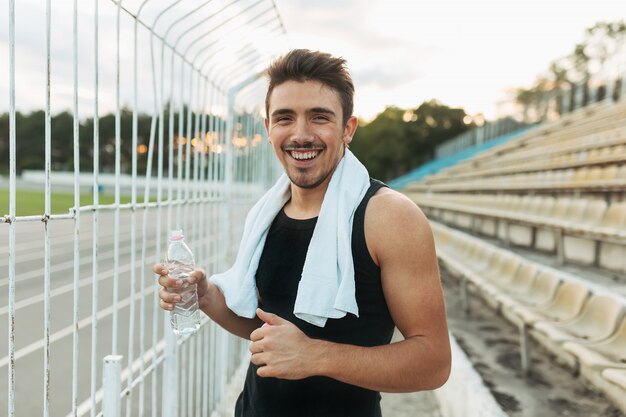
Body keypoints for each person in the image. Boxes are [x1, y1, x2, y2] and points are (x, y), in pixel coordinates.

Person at [154, 49, 451, 417]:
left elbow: (434, 362)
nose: (300, 134)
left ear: (348, 128)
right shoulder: (267, 210)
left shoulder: (389, 217)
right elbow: (268, 329)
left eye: (319, 117)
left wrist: (315, 355)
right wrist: (207, 297)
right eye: (284, 118)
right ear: (268, 129)